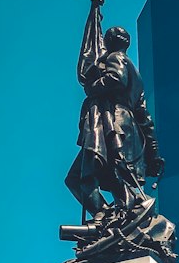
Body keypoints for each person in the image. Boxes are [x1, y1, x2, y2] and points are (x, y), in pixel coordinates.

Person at [65, 25, 165, 222]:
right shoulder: (138, 78)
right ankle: (111, 214)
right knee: (112, 175)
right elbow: (145, 117)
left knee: (85, 176)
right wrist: (153, 153)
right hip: (128, 128)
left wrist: (93, 88)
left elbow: (116, 79)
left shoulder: (115, 58)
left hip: (111, 123)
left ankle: (107, 213)